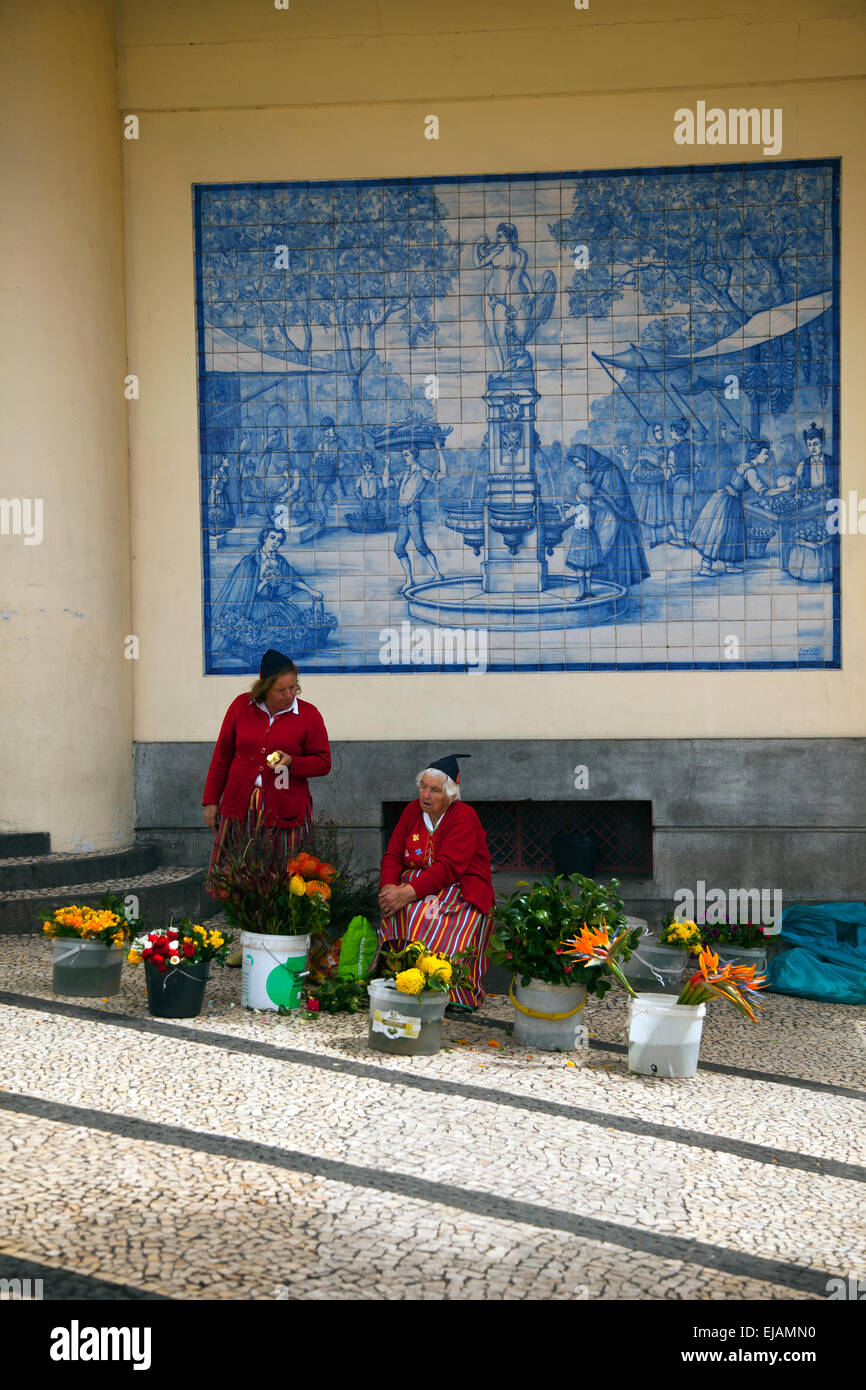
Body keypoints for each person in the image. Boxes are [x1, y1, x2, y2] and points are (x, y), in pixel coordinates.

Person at [202, 648, 331, 896]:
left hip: (286, 806)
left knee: (283, 876)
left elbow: (323, 763)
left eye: (293, 688)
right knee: (237, 875)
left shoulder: (308, 715)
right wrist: (211, 801)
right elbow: (222, 756)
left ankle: (280, 924)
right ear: (264, 688)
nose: (289, 694)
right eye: (281, 690)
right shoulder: (241, 706)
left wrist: (292, 762)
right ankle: (243, 919)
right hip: (240, 804)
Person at [378, 754, 495, 1010]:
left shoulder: (464, 816)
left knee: (424, 913)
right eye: (423, 787)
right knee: (396, 907)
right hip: (415, 885)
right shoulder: (412, 811)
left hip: (460, 887)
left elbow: (448, 868)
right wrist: (388, 887)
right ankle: (399, 981)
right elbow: (393, 854)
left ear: (451, 794)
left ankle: (445, 990)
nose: (426, 795)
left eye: (434, 790)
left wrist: (407, 893)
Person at [691, 439, 792, 576]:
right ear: (756, 454)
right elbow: (762, 492)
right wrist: (784, 489)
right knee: (718, 533)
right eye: (765, 453)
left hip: (729, 499)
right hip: (727, 502)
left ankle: (729, 564)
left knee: (731, 534)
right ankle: (706, 567)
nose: (768, 457)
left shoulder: (746, 466)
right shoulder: (750, 471)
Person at [383, 440, 445, 594]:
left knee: (420, 545)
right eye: (403, 455)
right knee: (398, 547)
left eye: (406, 455)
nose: (404, 457)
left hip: (412, 512)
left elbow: (443, 475)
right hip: (404, 514)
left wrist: (439, 451)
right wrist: (387, 464)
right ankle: (409, 580)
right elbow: (386, 484)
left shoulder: (422, 471)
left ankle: (437, 574)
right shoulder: (404, 472)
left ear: (414, 455)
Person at [631, 423, 667, 548]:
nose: (660, 433)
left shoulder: (663, 449)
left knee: (661, 512)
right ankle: (650, 538)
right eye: (657, 431)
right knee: (649, 513)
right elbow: (637, 472)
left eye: (661, 430)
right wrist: (660, 472)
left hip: (661, 487)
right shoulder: (645, 452)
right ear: (651, 434)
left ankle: (660, 537)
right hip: (649, 488)